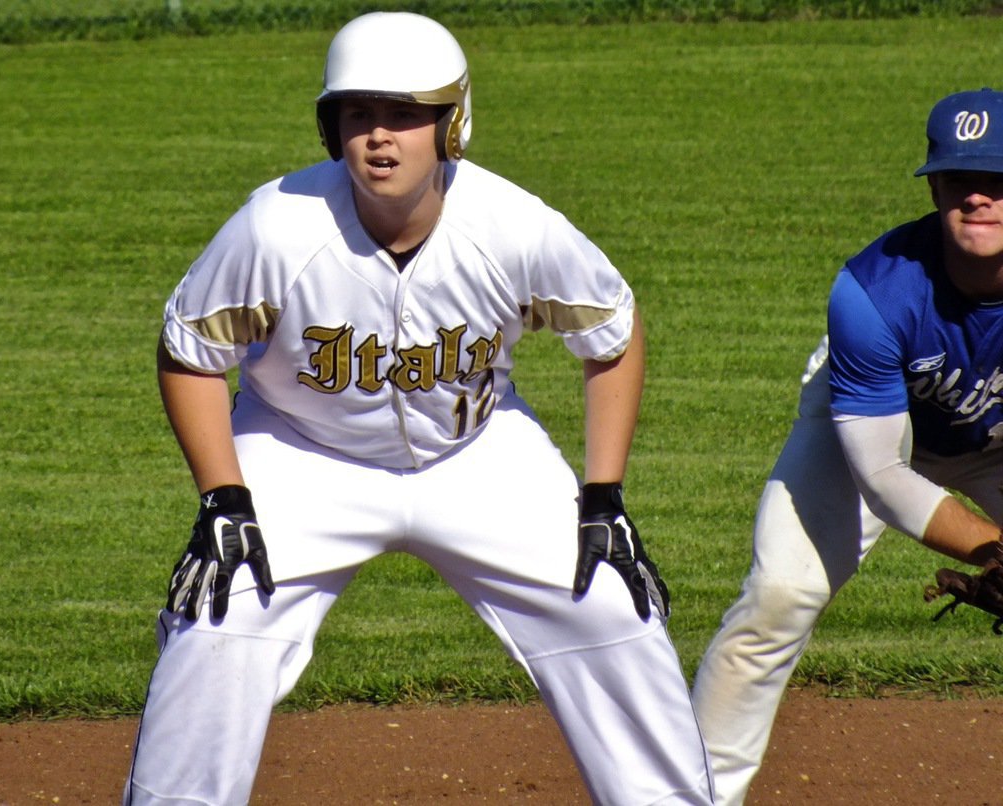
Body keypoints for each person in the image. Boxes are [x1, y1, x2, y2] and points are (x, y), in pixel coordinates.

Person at [123, 11, 714, 805]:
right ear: (331, 128)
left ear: (453, 124)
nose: (379, 137)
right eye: (358, 114)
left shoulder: (512, 226)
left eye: (405, 115)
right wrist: (224, 496)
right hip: (301, 455)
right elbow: (190, 352)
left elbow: (611, 329)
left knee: (610, 604)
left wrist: (603, 493)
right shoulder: (275, 227)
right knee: (214, 624)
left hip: (478, 454)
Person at [691, 87, 1003, 805]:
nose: (977, 198)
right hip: (867, 431)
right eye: (959, 180)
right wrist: (992, 548)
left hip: (994, 440)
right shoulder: (872, 293)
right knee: (779, 593)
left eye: (997, 181)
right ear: (935, 187)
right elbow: (884, 471)